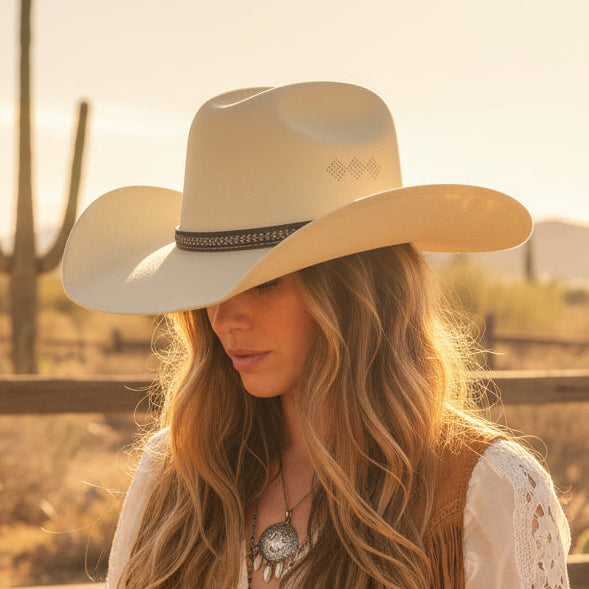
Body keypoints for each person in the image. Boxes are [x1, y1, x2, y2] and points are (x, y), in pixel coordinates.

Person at [62, 81, 570, 589]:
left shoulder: (485, 491)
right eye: (210, 287)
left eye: (264, 283)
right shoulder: (175, 474)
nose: (223, 319)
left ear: (356, 292)